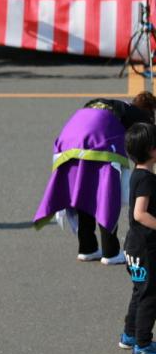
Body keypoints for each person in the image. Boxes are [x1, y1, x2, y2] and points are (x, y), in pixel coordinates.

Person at [34, 93, 156, 264]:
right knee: (106, 196)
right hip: (99, 140)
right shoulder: (140, 115)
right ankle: (111, 252)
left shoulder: (109, 105)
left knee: (83, 192)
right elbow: (148, 144)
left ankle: (87, 248)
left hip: (69, 140)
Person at [123, 123, 156, 354]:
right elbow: (139, 213)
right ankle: (143, 344)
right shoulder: (147, 180)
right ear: (152, 150)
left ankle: (130, 335)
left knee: (139, 290)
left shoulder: (137, 174)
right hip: (146, 248)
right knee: (150, 295)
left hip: (134, 245)